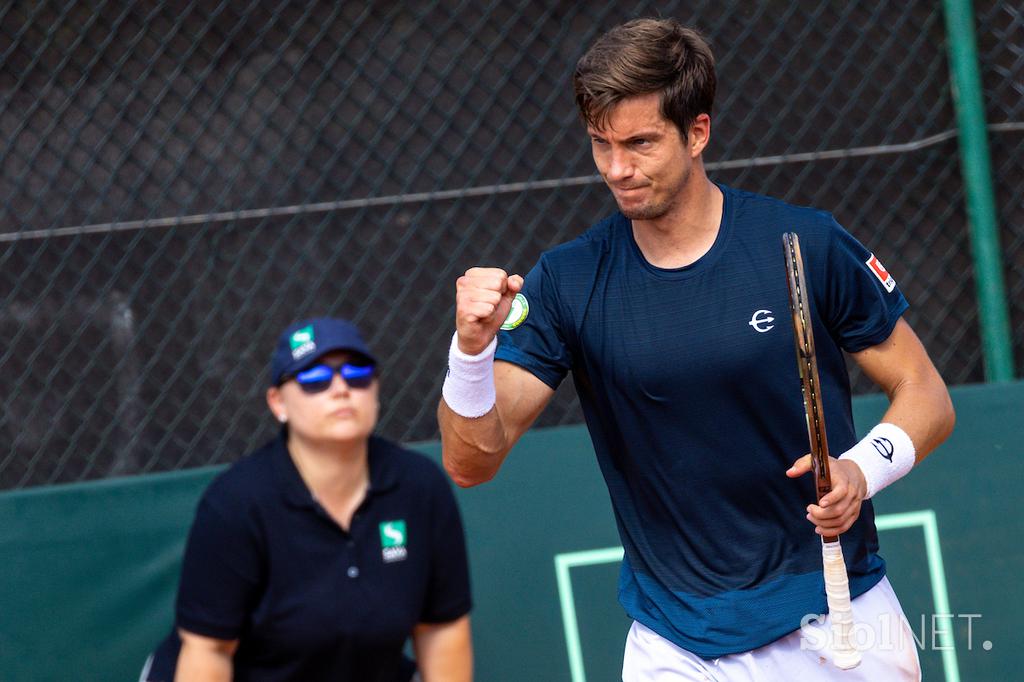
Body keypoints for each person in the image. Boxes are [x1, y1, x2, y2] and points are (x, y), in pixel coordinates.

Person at [438, 18, 953, 681]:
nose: (617, 169)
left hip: (834, 617)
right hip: (672, 643)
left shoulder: (805, 243)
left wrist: (861, 470)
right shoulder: (568, 280)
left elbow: (927, 394)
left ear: (698, 133)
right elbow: (470, 462)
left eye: (641, 143)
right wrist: (471, 355)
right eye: (601, 144)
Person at [144, 318, 473, 682]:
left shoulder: (419, 487)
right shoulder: (236, 503)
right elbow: (209, 650)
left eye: (357, 373)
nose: (341, 388)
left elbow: (441, 628)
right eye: (314, 378)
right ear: (277, 402)